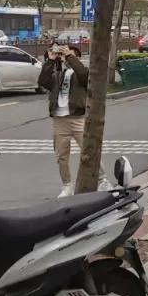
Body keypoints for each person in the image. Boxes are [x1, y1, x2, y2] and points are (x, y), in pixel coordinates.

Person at [39, 42, 94, 197]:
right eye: (64, 55)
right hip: (59, 120)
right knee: (61, 156)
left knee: (89, 151)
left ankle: (102, 179)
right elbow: (43, 81)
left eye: (70, 55)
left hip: (78, 118)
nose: (66, 57)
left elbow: (85, 76)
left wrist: (70, 56)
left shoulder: (81, 74)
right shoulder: (58, 75)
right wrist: (51, 60)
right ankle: (67, 185)